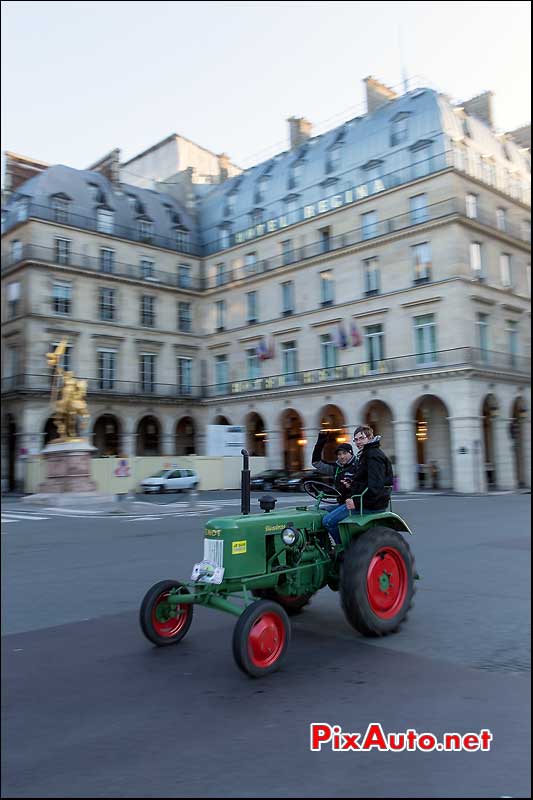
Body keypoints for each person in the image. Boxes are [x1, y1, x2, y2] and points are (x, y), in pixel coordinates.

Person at [312, 432, 360, 549]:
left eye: (344, 453)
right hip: (341, 503)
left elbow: (360, 485)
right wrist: (321, 441)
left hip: (355, 504)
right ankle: (323, 547)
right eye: (339, 454)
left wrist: (351, 484)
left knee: (328, 521)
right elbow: (316, 463)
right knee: (316, 514)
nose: (341, 457)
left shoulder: (358, 466)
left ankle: (343, 547)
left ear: (351, 453)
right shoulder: (337, 468)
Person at [346, 425, 394, 516]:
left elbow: (375, 486)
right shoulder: (366, 454)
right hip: (365, 501)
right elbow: (365, 480)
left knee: (329, 521)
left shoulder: (373, 455)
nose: (358, 442)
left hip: (371, 504)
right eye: (356, 440)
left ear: (370, 438)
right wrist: (351, 483)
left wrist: (356, 502)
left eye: (361, 438)